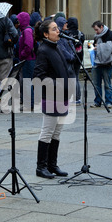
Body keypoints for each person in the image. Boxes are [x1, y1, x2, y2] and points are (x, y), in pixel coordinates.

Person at [33, 19, 74, 179]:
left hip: (62, 96)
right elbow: (39, 75)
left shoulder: (56, 47)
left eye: (58, 28)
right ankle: (40, 167)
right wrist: (58, 85)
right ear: (45, 34)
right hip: (51, 97)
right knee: (47, 132)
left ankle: (52, 165)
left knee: (57, 133)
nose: (58, 31)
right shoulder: (44, 50)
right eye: (54, 29)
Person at [90, 20, 112, 108]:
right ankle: (97, 101)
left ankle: (108, 102)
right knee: (96, 84)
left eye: (97, 29)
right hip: (97, 63)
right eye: (95, 30)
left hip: (107, 63)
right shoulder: (96, 37)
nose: (96, 32)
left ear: (101, 27)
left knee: (107, 84)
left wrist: (99, 47)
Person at [17, 11, 36, 110]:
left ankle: (29, 104)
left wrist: (22, 55)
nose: (18, 21)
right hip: (28, 59)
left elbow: (28, 45)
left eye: (19, 19)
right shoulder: (24, 30)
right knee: (27, 82)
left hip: (28, 60)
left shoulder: (26, 31)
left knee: (27, 82)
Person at [66, 17, 85, 104]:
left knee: (72, 78)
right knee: (76, 77)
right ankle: (78, 97)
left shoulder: (69, 34)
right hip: (79, 57)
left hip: (72, 57)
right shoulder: (81, 33)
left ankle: (75, 97)